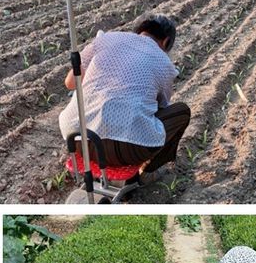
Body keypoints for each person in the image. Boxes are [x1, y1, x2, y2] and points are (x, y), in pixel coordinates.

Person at [59, 14, 191, 177]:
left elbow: (70, 82)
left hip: (78, 141)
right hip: (126, 150)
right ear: (166, 42)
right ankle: (149, 171)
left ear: (140, 31)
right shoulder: (163, 62)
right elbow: (162, 106)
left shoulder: (105, 39)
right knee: (181, 111)